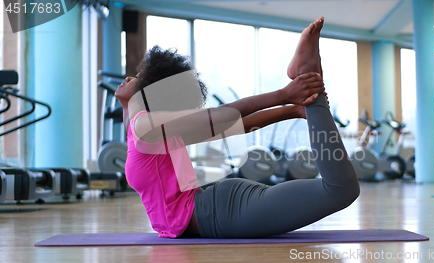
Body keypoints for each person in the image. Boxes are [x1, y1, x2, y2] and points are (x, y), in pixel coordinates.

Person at [115, 16, 360, 238]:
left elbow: (220, 117)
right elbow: (235, 127)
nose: (128, 77)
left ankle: (308, 73)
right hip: (218, 208)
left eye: (137, 76)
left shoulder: (146, 124)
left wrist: (285, 95)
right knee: (340, 190)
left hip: (219, 212)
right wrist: (293, 109)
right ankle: (309, 77)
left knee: (340, 190)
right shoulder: (149, 131)